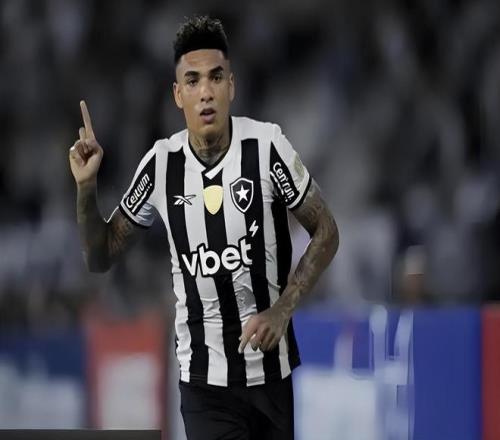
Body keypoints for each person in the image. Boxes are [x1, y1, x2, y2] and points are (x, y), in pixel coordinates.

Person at [68, 15, 339, 440]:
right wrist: (86, 189)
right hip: (204, 386)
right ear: (178, 95)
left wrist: (282, 309)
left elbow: (326, 231)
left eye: (215, 77)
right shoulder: (161, 165)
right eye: (192, 81)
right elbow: (99, 257)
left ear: (231, 85)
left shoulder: (267, 147)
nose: (206, 92)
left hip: (273, 378)